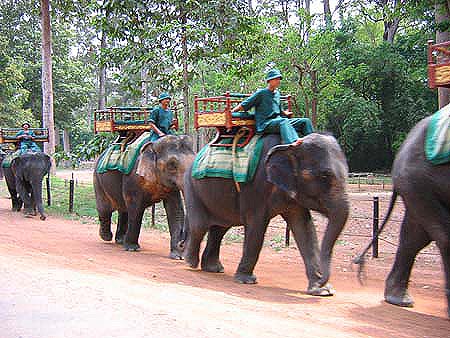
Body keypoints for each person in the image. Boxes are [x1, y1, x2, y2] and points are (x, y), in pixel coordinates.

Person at [231, 69, 314, 145]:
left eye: (279, 79)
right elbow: (245, 104)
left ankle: (313, 141)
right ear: (269, 81)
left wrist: (285, 113)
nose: (278, 81)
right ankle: (293, 142)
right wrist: (233, 111)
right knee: (283, 122)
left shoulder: (277, 94)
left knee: (305, 121)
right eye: (276, 79)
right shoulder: (261, 93)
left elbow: (279, 109)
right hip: (265, 124)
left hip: (278, 120)